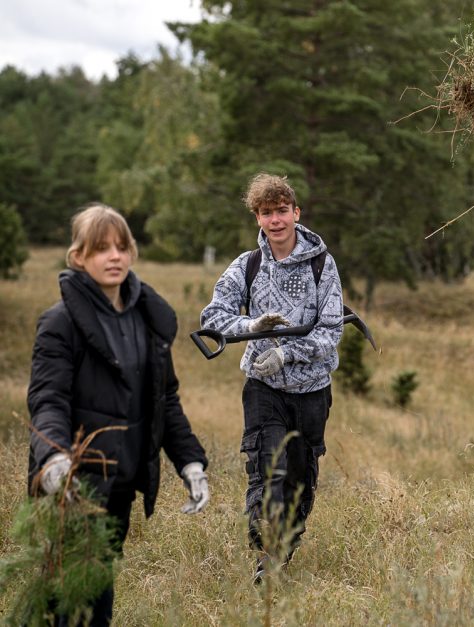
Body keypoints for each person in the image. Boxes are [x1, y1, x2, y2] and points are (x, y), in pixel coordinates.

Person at [27, 203, 210, 625]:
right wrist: (54, 457)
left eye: (122, 247)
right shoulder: (60, 324)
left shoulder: (146, 320)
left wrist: (191, 462)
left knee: (93, 595)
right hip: (74, 487)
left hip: (121, 485)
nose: (114, 257)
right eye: (101, 248)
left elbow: (166, 401)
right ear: (79, 257)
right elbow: (47, 400)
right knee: (77, 602)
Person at [200, 173, 343, 580]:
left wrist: (287, 352)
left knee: (300, 477)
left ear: (296, 213)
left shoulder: (322, 264)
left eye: (282, 210)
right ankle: (266, 555)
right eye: (266, 213)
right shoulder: (248, 266)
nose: (275, 220)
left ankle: (285, 548)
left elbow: (331, 331)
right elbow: (212, 319)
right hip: (262, 387)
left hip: (313, 390)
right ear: (257, 218)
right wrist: (251, 326)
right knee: (269, 470)